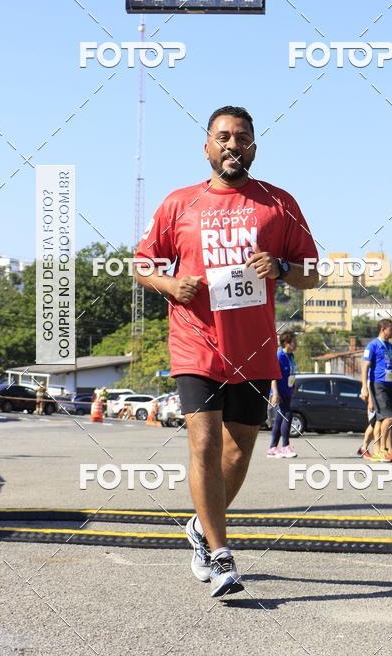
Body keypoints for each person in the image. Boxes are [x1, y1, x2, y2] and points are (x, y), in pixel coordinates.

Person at [134, 105, 318, 597]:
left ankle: (200, 527)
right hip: (196, 341)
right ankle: (220, 554)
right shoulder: (180, 204)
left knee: (238, 453)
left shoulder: (278, 205)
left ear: (253, 146)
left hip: (255, 347)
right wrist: (171, 285)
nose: (232, 145)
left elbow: (312, 274)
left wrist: (280, 266)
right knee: (204, 443)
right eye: (223, 137)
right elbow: (142, 264)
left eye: (241, 137)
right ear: (207, 146)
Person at [360, 319, 392, 462]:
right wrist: (364, 387)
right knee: (389, 417)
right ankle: (381, 449)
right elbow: (365, 366)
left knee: (380, 420)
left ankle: (377, 451)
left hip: (391, 386)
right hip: (378, 385)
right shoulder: (373, 345)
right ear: (383, 329)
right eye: (391, 329)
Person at [267, 330, 298, 458]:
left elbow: (291, 373)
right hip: (279, 392)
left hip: (288, 392)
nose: (296, 344)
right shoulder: (279, 356)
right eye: (294, 342)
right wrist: (275, 393)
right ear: (286, 343)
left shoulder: (291, 356)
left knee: (279, 420)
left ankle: (272, 448)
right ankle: (285, 446)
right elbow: (273, 376)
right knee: (287, 415)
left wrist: (294, 387)